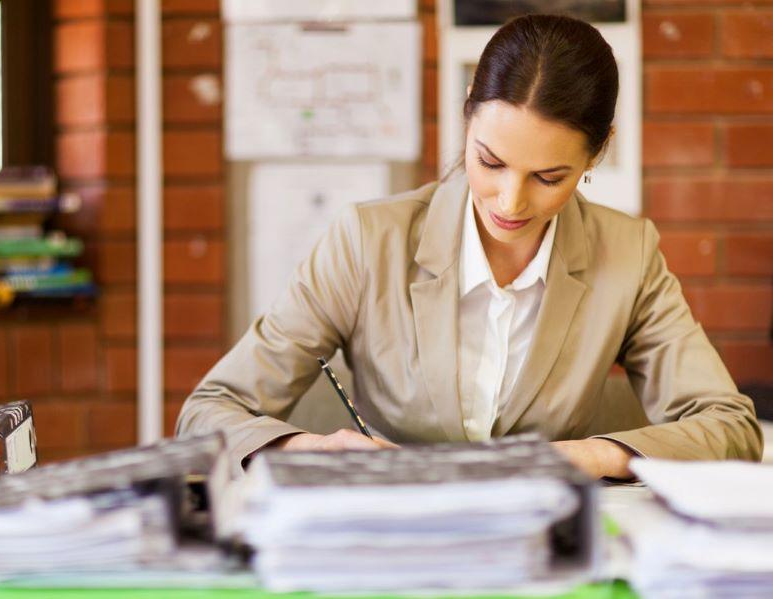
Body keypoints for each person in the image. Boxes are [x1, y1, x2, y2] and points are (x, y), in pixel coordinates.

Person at [177, 14, 762, 479]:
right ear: (466, 114)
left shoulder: (628, 254)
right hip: (387, 547)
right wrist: (304, 447)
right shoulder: (367, 241)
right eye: (490, 161)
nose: (510, 202)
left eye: (549, 177)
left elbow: (732, 428)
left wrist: (588, 457)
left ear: (599, 151)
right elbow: (205, 416)